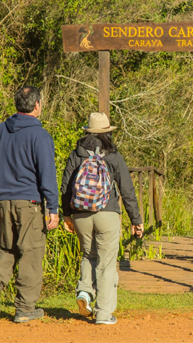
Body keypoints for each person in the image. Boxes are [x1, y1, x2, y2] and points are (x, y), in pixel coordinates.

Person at [0, 85, 60, 323]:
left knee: (7, 247)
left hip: (3, 201)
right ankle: (25, 308)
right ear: (37, 106)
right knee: (30, 252)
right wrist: (52, 208)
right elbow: (47, 176)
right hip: (30, 203)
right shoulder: (40, 135)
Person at [61, 112, 143, 325]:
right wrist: (136, 220)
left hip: (80, 214)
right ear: (107, 132)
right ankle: (104, 314)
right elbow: (127, 189)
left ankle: (85, 293)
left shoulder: (76, 154)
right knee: (106, 263)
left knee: (88, 255)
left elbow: (65, 187)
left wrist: (66, 215)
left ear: (88, 131)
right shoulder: (113, 155)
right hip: (107, 213)